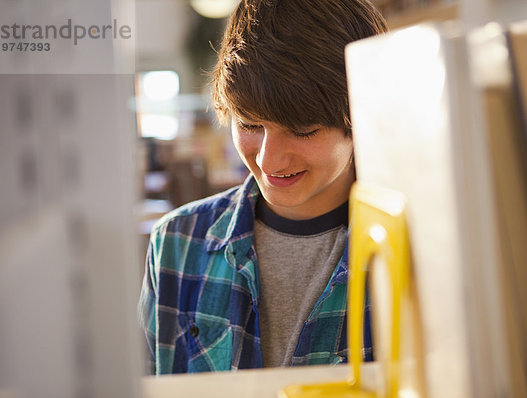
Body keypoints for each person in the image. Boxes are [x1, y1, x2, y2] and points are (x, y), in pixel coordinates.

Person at [138, 0, 388, 374]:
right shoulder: (176, 243)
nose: (269, 161)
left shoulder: (411, 247)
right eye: (250, 125)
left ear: (362, 116)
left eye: (303, 130)